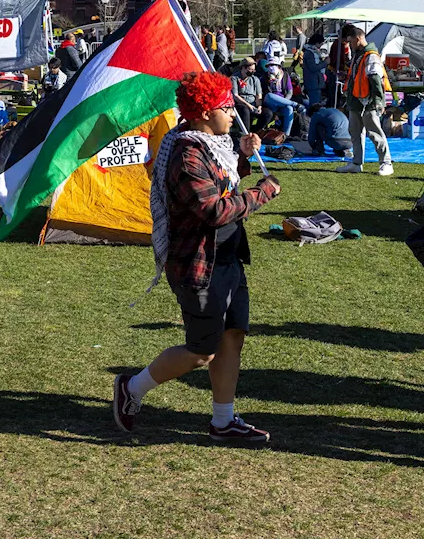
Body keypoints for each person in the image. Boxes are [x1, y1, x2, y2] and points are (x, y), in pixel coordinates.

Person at [113, 71, 280, 444]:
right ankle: (132, 387)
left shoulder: (213, 143)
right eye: (226, 105)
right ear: (204, 111)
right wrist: (262, 194)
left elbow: (223, 180)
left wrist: (242, 155)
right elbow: (213, 210)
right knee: (202, 350)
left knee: (232, 337)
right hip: (198, 264)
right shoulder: (186, 153)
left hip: (227, 257)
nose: (233, 111)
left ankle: (223, 421)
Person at [337, 24, 393, 177]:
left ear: (359, 38)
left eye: (351, 42)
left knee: (375, 133)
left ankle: (386, 162)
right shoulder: (359, 55)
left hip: (368, 102)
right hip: (356, 100)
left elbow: (375, 79)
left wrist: (378, 101)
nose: (350, 45)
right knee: (355, 133)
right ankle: (356, 162)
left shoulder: (371, 55)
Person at [262, 63, 299, 137]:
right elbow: (263, 93)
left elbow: (289, 92)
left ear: (279, 66)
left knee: (289, 109)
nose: (270, 67)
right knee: (269, 96)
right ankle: (296, 105)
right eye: (268, 66)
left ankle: (285, 135)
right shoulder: (264, 76)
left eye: (273, 65)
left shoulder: (285, 75)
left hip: (283, 100)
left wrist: (283, 102)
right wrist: (269, 82)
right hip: (270, 102)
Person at [231, 58, 263, 129]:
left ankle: (256, 130)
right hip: (240, 103)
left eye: (253, 70)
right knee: (245, 110)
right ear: (243, 68)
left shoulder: (255, 79)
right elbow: (235, 95)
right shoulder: (235, 78)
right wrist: (248, 105)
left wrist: (259, 106)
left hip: (253, 103)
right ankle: (246, 133)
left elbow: (258, 95)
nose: (252, 71)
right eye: (250, 69)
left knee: (268, 113)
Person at [301, 37, 326, 107]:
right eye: (321, 44)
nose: (321, 46)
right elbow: (313, 68)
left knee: (316, 103)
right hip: (313, 83)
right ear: (316, 43)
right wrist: (325, 63)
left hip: (315, 82)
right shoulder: (310, 53)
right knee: (315, 105)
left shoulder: (312, 52)